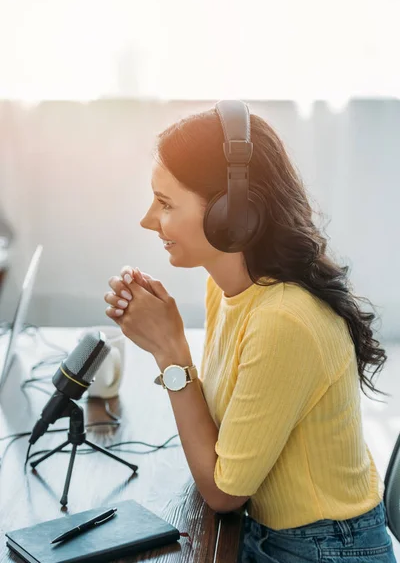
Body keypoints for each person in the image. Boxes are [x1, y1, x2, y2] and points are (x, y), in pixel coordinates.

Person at [103, 104, 397, 562]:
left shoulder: (285, 320)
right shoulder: (227, 291)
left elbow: (224, 491)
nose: (147, 220)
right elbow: (228, 433)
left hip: (323, 549)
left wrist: (169, 351)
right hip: (266, 531)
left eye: (165, 203)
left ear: (231, 213)